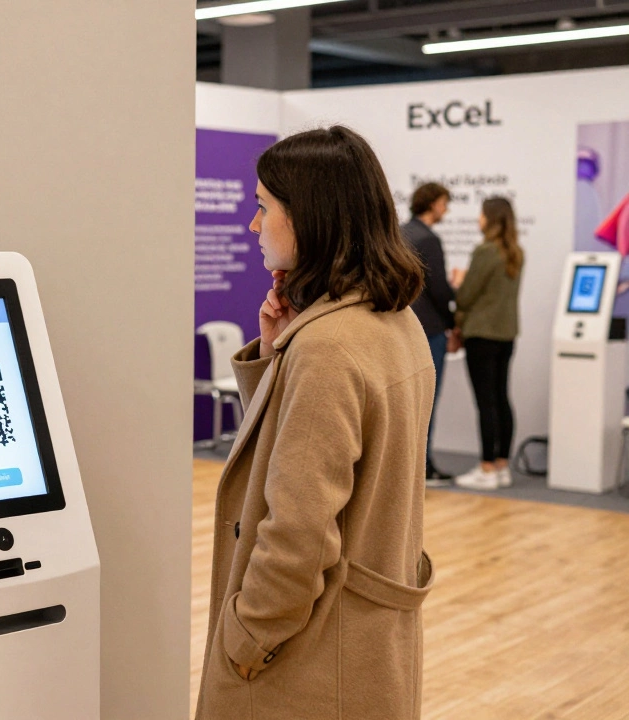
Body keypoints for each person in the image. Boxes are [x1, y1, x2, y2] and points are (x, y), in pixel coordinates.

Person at [195, 126, 435, 720]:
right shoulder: (393, 321)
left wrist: (250, 635)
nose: (254, 226)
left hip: (311, 661)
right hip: (365, 647)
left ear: (309, 216)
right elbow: (298, 440)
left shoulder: (328, 346)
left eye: (263, 207)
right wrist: (277, 353)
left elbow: (299, 530)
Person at [452, 197, 525, 491]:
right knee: (501, 398)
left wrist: (459, 282)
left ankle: (486, 468)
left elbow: (467, 296)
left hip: (481, 335)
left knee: (486, 403)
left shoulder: (485, 252)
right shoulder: (515, 253)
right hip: (506, 334)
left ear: (489, 218)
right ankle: (502, 465)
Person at [401, 182, 457, 484]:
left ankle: (406, 467)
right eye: (444, 203)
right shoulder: (429, 239)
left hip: (401, 327)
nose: (446, 209)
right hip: (430, 330)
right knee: (426, 401)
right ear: (433, 203)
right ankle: (424, 466)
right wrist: (453, 321)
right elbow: (438, 289)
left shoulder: (399, 233)